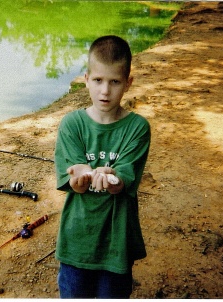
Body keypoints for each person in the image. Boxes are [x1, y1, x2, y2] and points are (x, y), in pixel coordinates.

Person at [54, 35, 151, 298]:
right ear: (86, 79)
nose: (105, 91)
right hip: (76, 242)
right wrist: (79, 179)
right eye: (98, 80)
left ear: (128, 83)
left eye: (114, 81)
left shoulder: (137, 128)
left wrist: (115, 180)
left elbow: (124, 179)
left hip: (116, 245)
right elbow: (73, 181)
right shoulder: (71, 124)